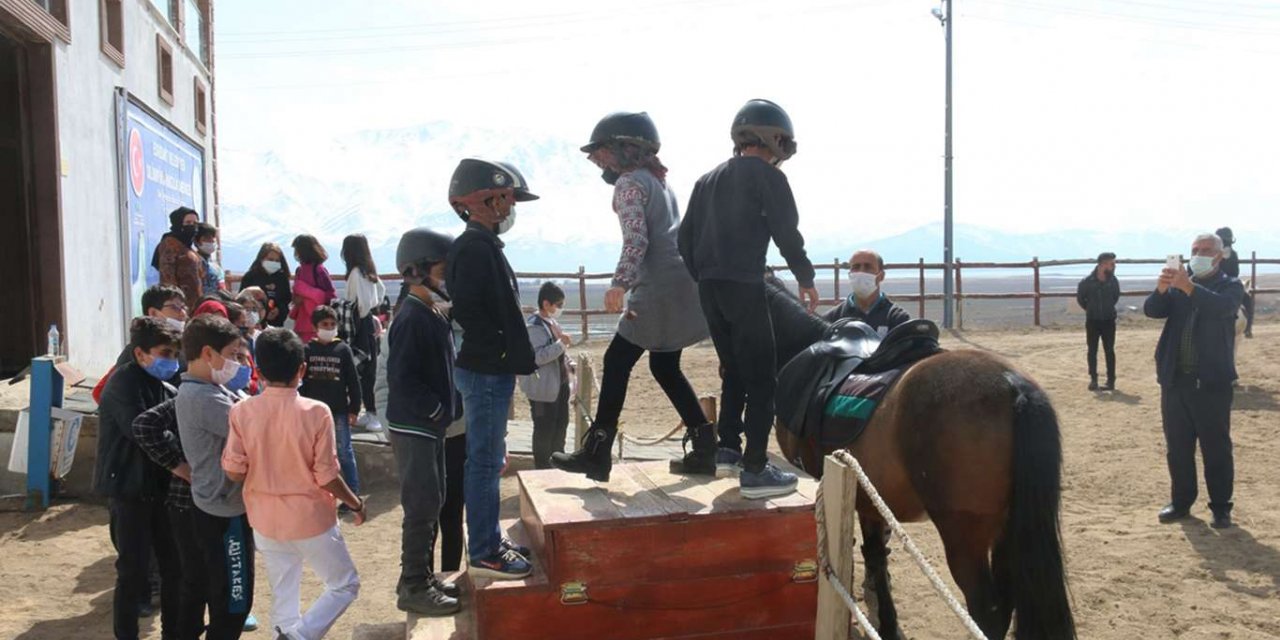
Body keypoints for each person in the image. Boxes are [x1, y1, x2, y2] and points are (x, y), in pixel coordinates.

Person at [551, 112, 714, 482]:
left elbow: (637, 239)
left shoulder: (628, 183)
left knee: (617, 360)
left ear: (626, 149)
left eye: (603, 151)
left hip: (656, 287)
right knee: (664, 366)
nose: (597, 160)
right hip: (682, 282)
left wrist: (620, 283)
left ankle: (597, 453)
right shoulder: (659, 181)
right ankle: (705, 447)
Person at [678, 99, 818, 499]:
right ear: (773, 139)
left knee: (734, 369)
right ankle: (755, 469)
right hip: (745, 286)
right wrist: (805, 277)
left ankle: (728, 449)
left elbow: (684, 240)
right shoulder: (769, 178)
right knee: (761, 378)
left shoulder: (705, 180)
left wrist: (705, 275)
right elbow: (786, 233)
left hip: (710, 289)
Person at [223, 328, 364, 640]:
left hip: (264, 519)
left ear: (259, 372)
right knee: (345, 584)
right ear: (302, 370)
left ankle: (287, 634)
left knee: (284, 591)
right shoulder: (316, 412)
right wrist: (355, 503)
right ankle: (298, 637)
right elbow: (327, 475)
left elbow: (233, 471)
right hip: (309, 517)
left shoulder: (241, 411)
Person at [445, 159, 538, 580]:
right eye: (508, 198)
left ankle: (489, 540)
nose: (511, 206)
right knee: (483, 462)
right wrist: (504, 351)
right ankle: (484, 551)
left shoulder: (480, 246)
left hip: (488, 368)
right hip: (485, 371)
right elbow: (478, 313)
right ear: (487, 199)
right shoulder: (475, 248)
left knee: (487, 460)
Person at [386, 227, 464, 615]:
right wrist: (436, 409)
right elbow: (402, 379)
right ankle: (414, 585)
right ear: (416, 271)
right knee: (420, 506)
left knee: (433, 501)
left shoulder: (430, 312)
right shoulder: (412, 318)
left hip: (429, 427)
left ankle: (420, 576)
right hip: (416, 426)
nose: (448, 279)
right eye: (443, 271)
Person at [1144, 233, 1244, 530]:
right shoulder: (1179, 284)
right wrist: (1162, 289)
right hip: (1175, 381)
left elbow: (1222, 308)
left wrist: (1189, 288)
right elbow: (1153, 310)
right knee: (1178, 447)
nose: (1198, 254)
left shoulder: (1230, 285)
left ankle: (1221, 507)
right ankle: (1181, 502)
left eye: (1206, 250)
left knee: (1216, 448)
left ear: (1219, 256)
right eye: (1195, 249)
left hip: (1211, 383)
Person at [95, 317, 184, 640]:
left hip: (159, 488)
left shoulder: (164, 386)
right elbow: (143, 431)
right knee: (133, 571)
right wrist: (177, 458)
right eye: (165, 353)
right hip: (129, 488)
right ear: (140, 353)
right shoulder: (123, 384)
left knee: (173, 568)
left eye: (175, 354)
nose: (171, 361)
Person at [176, 314, 255, 638]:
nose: (237, 363)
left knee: (223, 593)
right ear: (208, 353)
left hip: (217, 505)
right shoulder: (203, 398)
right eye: (233, 355)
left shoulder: (208, 389)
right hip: (225, 511)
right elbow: (253, 435)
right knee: (234, 602)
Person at [299, 305, 364, 500]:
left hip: (338, 411)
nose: (329, 328)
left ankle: (352, 493)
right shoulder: (307, 350)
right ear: (315, 326)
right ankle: (317, 492)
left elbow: (353, 381)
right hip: (312, 412)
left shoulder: (343, 350)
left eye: (332, 324)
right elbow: (301, 382)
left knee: (344, 452)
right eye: (324, 324)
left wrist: (354, 409)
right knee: (313, 453)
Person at [93, 285, 189, 403]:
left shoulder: (184, 348)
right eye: (175, 308)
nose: (183, 314)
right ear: (153, 312)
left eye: (184, 308)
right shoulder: (130, 360)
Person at [341, 234, 388, 433]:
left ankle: (373, 412)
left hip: (358, 323)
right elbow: (381, 292)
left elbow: (359, 303)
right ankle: (370, 411)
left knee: (365, 369)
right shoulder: (369, 271)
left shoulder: (355, 273)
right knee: (369, 368)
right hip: (367, 321)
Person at [522, 282, 571, 470]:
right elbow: (538, 357)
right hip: (543, 389)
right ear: (546, 303)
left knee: (561, 425)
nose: (560, 308)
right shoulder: (534, 326)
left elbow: (558, 352)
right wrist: (561, 345)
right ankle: (542, 468)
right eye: (558, 304)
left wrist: (568, 362)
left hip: (559, 385)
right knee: (544, 429)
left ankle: (559, 464)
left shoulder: (552, 322)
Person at [824, 249, 911, 335]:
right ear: (849, 275)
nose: (861, 271)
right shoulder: (832, 319)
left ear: (881, 276)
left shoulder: (897, 318)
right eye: (856, 267)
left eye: (868, 267)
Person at [1076, 252, 1120, 391]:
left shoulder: (1113, 281)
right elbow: (1081, 299)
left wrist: (1107, 308)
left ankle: (1111, 381)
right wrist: (1091, 309)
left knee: (1109, 350)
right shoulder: (1087, 282)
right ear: (1103, 264)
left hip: (1109, 320)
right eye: (1111, 264)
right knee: (1092, 350)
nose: (1113, 266)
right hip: (1093, 321)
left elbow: (1115, 297)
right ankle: (1093, 379)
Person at [154, 207, 205, 307]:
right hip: (180, 305)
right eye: (188, 223)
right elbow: (167, 277)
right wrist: (176, 304)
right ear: (178, 223)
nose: (192, 226)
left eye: (195, 223)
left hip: (196, 303)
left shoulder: (188, 247)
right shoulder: (170, 244)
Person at [291, 235, 336, 343]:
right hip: (304, 323)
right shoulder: (300, 270)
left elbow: (330, 295)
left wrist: (305, 294)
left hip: (316, 322)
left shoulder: (318, 270)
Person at [238, 242, 293, 328]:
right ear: (261, 259)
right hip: (255, 324)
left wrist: (279, 310)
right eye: (270, 259)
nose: (274, 263)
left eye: (277, 261)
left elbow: (286, 299)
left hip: (276, 324)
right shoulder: (251, 276)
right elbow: (242, 299)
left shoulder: (282, 278)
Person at [1215, 227, 1254, 339]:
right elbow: (1235, 272)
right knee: (1247, 300)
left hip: (1214, 283)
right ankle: (1248, 329)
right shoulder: (1233, 254)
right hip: (1229, 284)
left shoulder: (1213, 253)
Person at [195, 223, 227, 295]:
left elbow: (222, 290)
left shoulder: (216, 268)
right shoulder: (192, 264)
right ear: (196, 241)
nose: (212, 241)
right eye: (207, 238)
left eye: (213, 238)